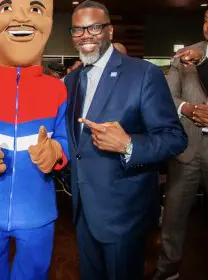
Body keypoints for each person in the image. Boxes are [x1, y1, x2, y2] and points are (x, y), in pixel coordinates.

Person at [63, 1, 187, 280]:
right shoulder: (71, 82)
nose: (85, 35)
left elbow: (174, 138)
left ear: (110, 30)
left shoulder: (143, 73)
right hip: (83, 209)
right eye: (78, 29)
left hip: (123, 213)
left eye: (94, 27)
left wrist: (129, 145)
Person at [0, 0, 69, 279]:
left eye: (35, 9)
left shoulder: (57, 90)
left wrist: (56, 150)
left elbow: (67, 138)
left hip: (37, 211)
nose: (21, 18)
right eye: (5, 8)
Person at [152, 9, 208, 280]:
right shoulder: (184, 58)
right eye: (207, 21)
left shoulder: (201, 55)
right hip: (187, 151)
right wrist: (186, 108)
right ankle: (167, 272)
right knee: (173, 219)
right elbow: (165, 96)